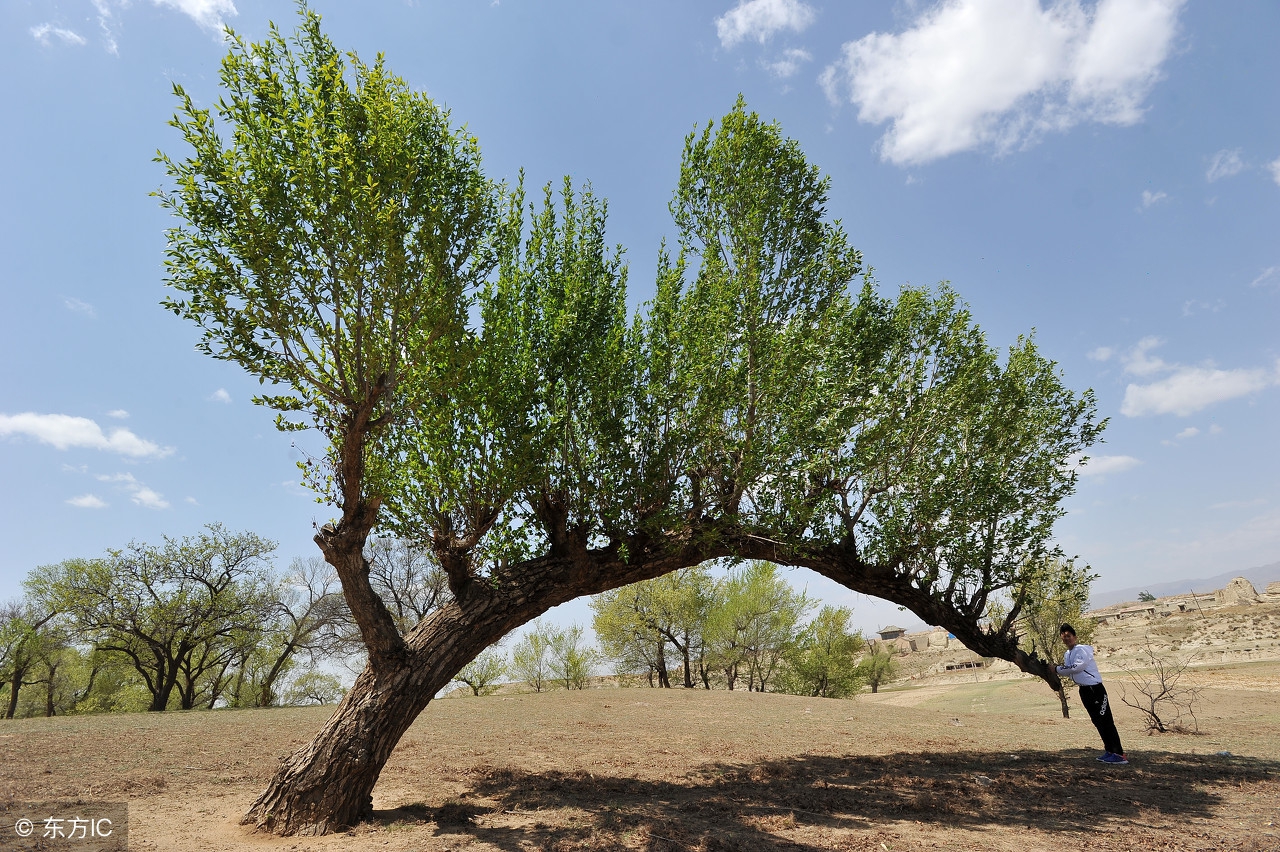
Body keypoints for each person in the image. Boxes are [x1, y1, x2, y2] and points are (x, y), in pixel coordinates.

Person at [1056, 623, 1128, 765]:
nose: (1066, 639)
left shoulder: (1082, 649)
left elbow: (1077, 667)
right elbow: (1069, 671)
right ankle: (1109, 751)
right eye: (1064, 637)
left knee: (1106, 721)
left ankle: (1119, 754)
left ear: (1075, 637)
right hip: (1084, 690)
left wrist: (1057, 669)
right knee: (1097, 721)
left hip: (1095, 689)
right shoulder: (1067, 654)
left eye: (1069, 636)